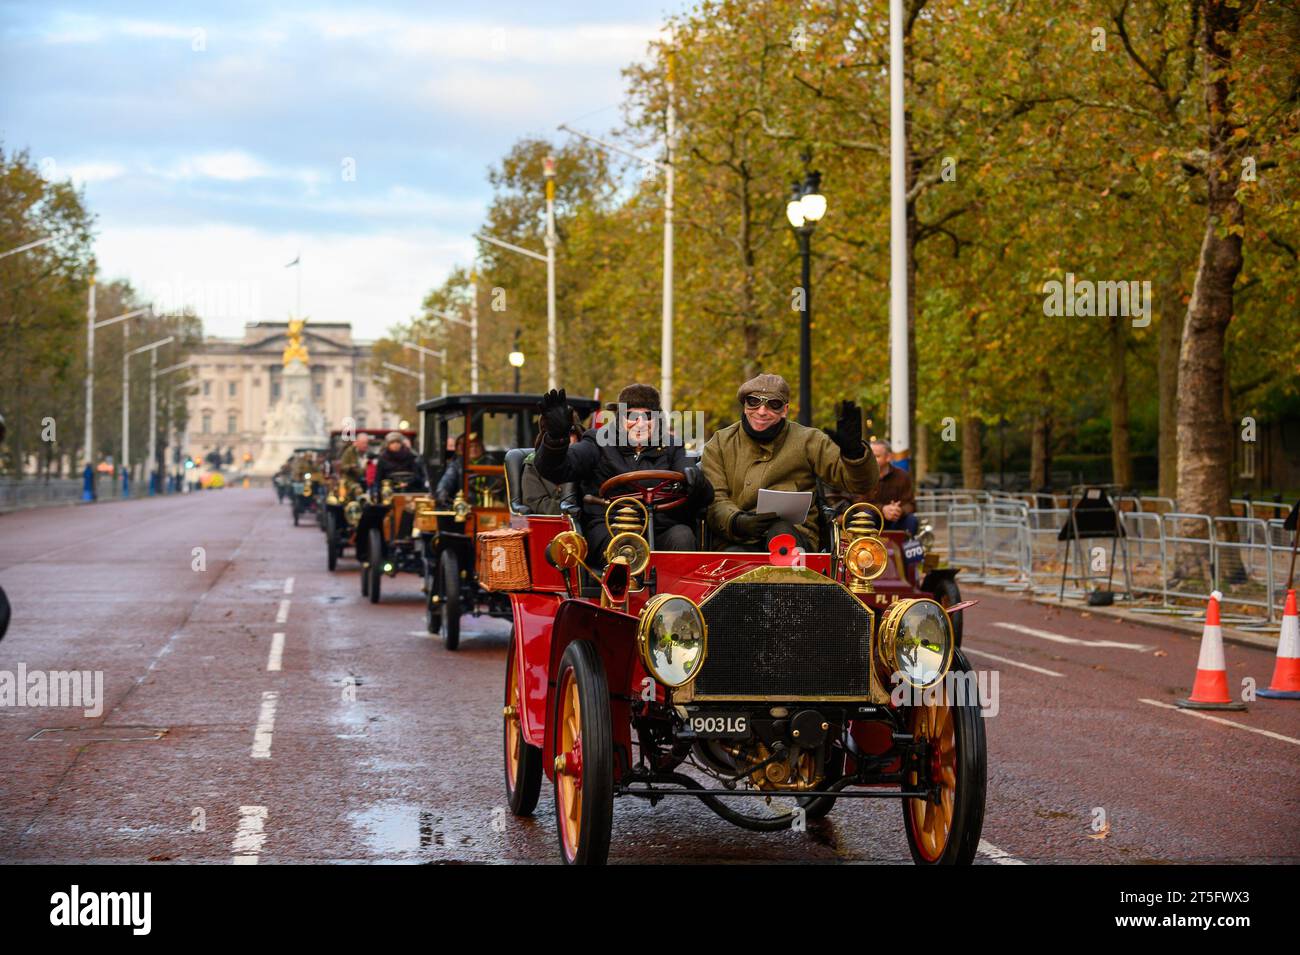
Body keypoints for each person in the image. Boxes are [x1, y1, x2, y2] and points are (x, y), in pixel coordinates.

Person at [701, 373, 877, 552]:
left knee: (782, 534)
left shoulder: (809, 440)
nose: (761, 411)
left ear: (785, 410)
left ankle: (792, 575)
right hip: (735, 539)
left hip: (796, 538)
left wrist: (854, 454)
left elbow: (860, 485)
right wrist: (737, 521)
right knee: (735, 557)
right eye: (753, 402)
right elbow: (714, 499)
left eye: (773, 404)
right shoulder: (720, 443)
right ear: (745, 406)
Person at [535, 384, 712, 559]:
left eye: (648, 417)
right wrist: (556, 439)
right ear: (620, 419)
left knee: (683, 536)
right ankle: (620, 585)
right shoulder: (597, 441)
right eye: (631, 416)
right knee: (625, 546)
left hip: (659, 527)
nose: (640, 424)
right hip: (610, 526)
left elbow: (699, 492)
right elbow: (557, 469)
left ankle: (677, 588)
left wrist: (696, 481)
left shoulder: (673, 446)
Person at [521, 413, 582, 515]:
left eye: (570, 433)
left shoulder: (590, 459)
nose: (564, 439)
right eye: (557, 434)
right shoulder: (533, 465)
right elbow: (536, 503)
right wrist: (570, 510)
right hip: (558, 526)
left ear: (578, 435)